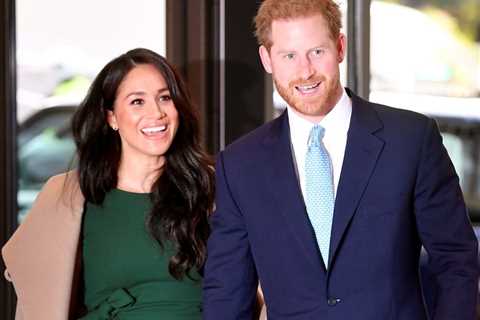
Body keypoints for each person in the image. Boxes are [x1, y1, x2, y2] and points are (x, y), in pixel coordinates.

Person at [203, 0, 479, 319]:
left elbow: (456, 260)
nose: (305, 71)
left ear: (340, 47)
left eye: (317, 52)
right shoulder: (240, 165)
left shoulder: (410, 139)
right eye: (289, 55)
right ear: (267, 59)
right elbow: (227, 291)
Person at [2, 48, 215, 319]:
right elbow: (36, 296)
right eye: (137, 102)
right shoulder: (70, 195)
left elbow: (255, 284)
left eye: (165, 97)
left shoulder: (212, 187)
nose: (157, 113)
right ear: (111, 117)